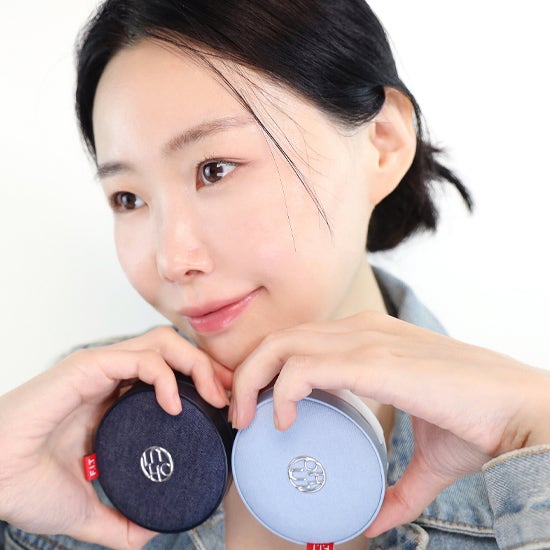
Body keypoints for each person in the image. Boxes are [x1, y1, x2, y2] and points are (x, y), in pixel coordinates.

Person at [1, 1, 549, 549]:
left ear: (382, 142)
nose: (172, 259)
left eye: (215, 170)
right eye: (127, 198)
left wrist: (538, 429)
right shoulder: (64, 446)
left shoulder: (523, 459)